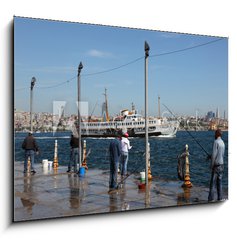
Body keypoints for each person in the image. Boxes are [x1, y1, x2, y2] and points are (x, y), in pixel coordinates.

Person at [208, 129, 225, 202]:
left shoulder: (216, 142)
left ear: (217, 134)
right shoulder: (222, 142)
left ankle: (211, 199)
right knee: (219, 183)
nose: (214, 135)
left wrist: (211, 165)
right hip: (222, 165)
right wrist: (211, 156)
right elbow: (221, 154)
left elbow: (214, 155)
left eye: (215, 133)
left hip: (216, 166)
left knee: (212, 183)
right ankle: (220, 198)